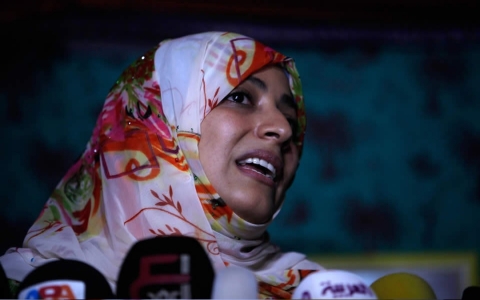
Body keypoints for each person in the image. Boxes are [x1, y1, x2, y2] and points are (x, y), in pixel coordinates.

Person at [0, 31, 323, 298]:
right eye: (240, 98)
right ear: (155, 125)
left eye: (291, 119)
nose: (282, 130)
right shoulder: (30, 286)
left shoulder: (315, 290)